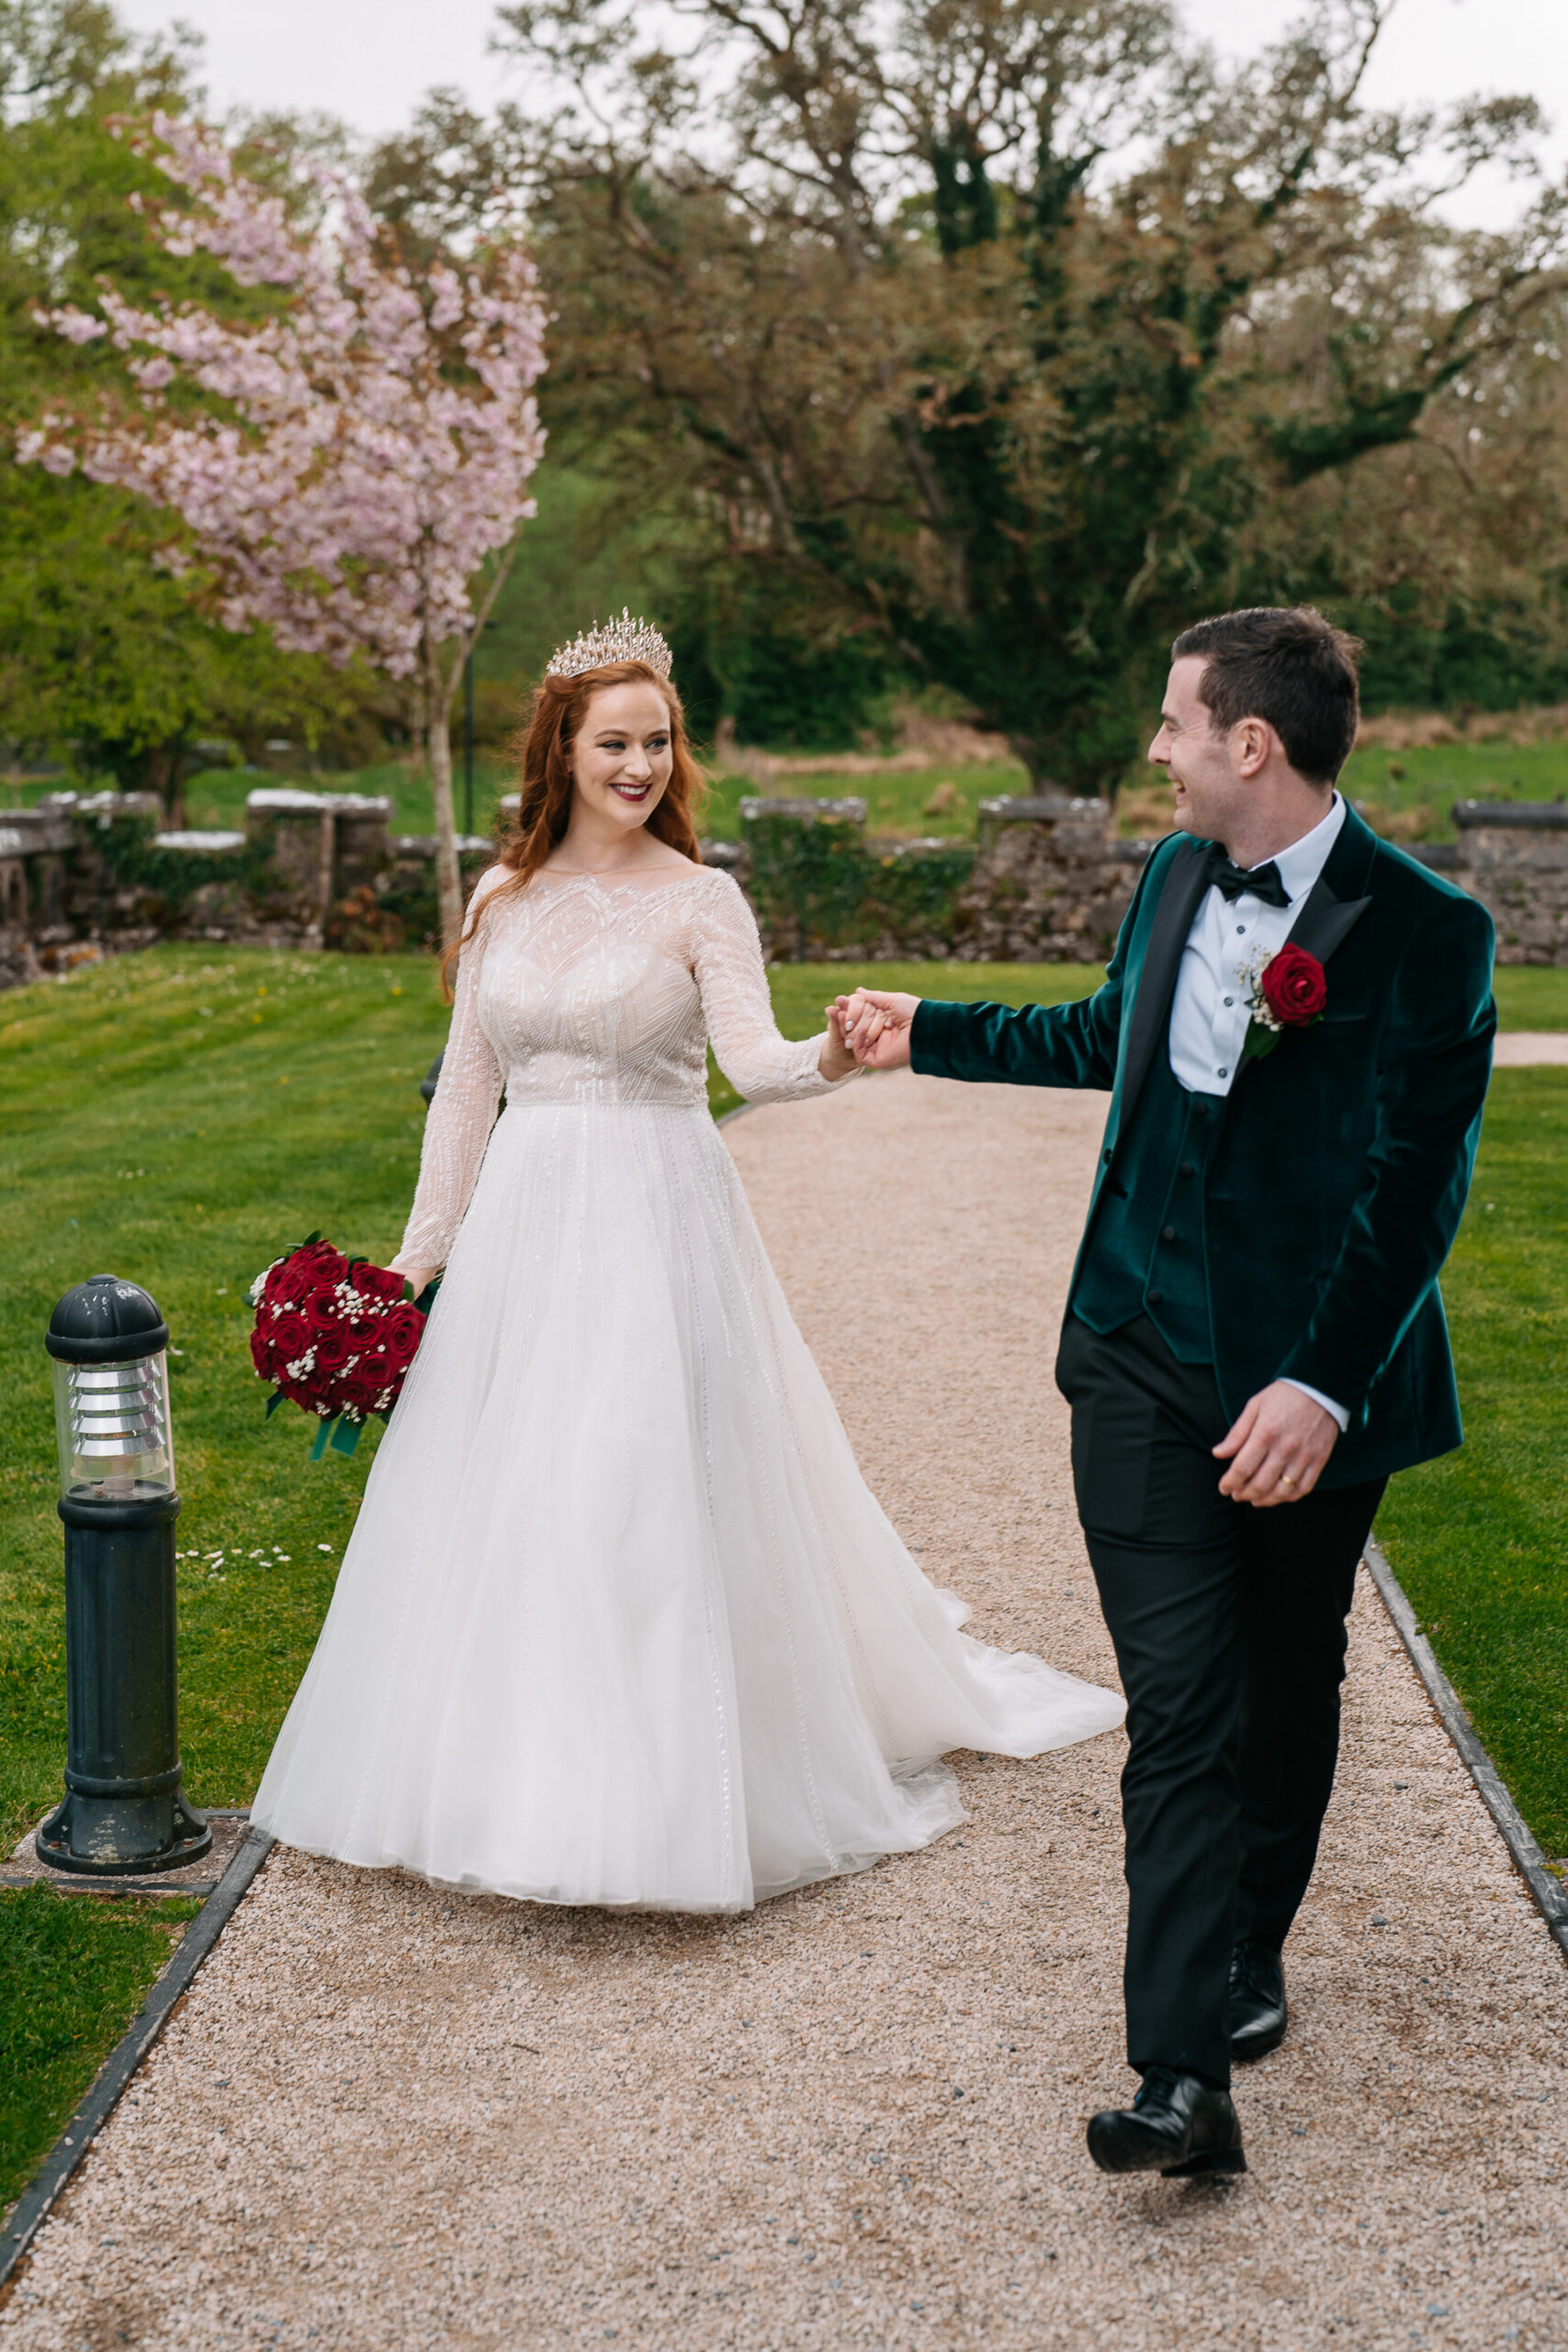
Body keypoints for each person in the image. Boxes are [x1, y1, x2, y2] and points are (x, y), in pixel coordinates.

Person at [253, 615, 1124, 1913]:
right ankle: (513, 1782)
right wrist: (412, 1269)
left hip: (659, 1218)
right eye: (616, 741)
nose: (642, 764)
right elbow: (463, 1101)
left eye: (659, 741)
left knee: (636, 1482)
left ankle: (655, 1806)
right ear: (565, 746)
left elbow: (756, 1068)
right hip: (526, 1230)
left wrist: (834, 1053)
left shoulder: (703, 900)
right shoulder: (501, 898)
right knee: (517, 1488)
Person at [838, 607, 1495, 2177]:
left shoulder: (1428, 932)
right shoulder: (1173, 875)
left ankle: (1253, 1940)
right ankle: (1181, 2075)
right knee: (1186, 1703)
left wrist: (1320, 1391)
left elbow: (1411, 1197)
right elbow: (1105, 1035)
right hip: (1134, 1346)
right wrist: (924, 1028)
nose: (1155, 748)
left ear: (1247, 745)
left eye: (1173, 722)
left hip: (1309, 1384)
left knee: (1289, 1672)